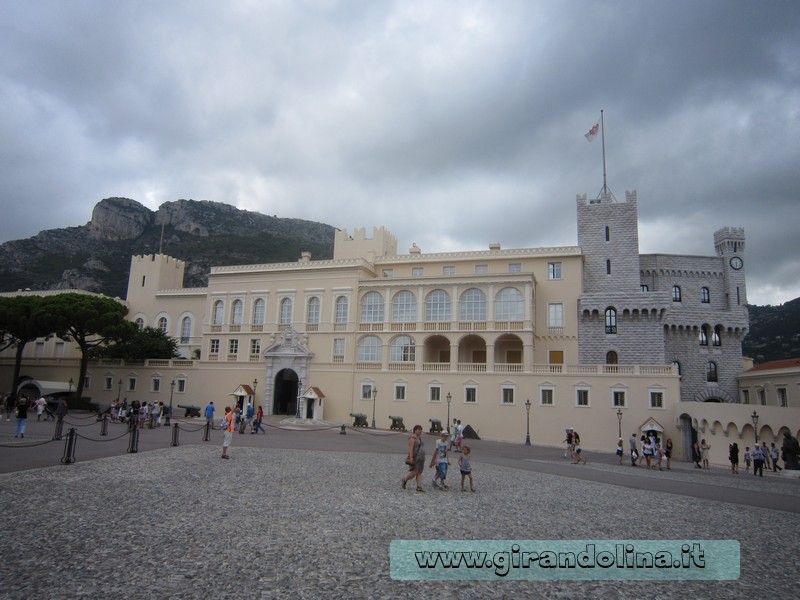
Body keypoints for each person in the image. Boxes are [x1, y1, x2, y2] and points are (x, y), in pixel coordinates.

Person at [402, 425, 426, 492]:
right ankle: (405, 479)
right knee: (414, 472)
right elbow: (411, 448)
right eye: (418, 429)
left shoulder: (420, 439)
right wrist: (411, 457)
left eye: (420, 429)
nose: (420, 431)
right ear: (415, 430)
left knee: (419, 472)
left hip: (421, 458)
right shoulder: (412, 438)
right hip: (415, 458)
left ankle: (419, 487)